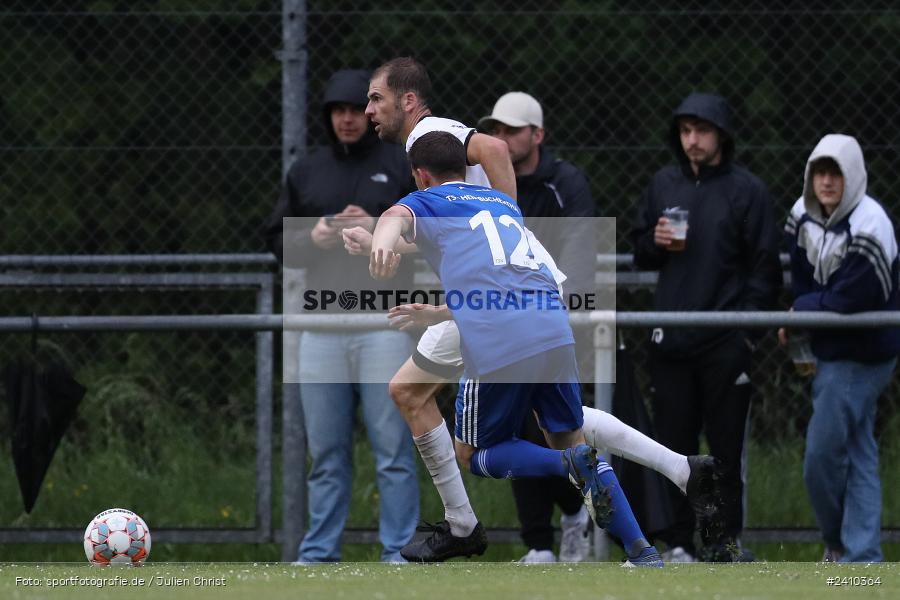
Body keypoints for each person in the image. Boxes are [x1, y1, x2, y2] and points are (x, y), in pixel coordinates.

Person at [344, 59, 722, 563]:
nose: (368, 109)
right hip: (539, 307)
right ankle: (650, 531)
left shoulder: (424, 137)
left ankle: (464, 524)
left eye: (375, 98)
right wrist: (400, 261)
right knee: (564, 429)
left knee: (451, 430)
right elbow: (464, 239)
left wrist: (382, 245)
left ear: (408, 102)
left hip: (496, 317)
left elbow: (419, 204)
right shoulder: (486, 204)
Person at [370, 130, 665, 567]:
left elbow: (394, 216)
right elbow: (500, 278)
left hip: (501, 339)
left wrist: (379, 242)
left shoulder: (427, 200)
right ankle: (643, 552)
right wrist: (440, 313)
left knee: (471, 454)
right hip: (552, 327)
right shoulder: (501, 203)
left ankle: (564, 463)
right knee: (571, 436)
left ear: (421, 175)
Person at [262, 68, 419, 563]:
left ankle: (398, 553)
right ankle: (319, 553)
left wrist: (380, 228)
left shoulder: (401, 164)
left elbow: (433, 239)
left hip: (383, 323)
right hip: (322, 326)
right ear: (327, 117)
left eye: (357, 109)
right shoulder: (307, 171)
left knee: (392, 449)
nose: (348, 119)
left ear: (373, 112)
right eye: (338, 111)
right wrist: (313, 237)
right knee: (325, 452)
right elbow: (276, 241)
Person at [631, 92, 782, 562]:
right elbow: (640, 251)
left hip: (724, 344)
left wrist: (745, 336)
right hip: (671, 341)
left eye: (702, 130)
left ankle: (722, 543)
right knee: (672, 450)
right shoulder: (663, 184)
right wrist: (653, 242)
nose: (692, 140)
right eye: (685, 131)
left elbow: (765, 271)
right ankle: (677, 543)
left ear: (721, 135)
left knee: (725, 450)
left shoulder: (748, 191)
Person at [478, 91, 595, 563]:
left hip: (558, 327)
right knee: (512, 428)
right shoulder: (483, 184)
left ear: (537, 135)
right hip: (504, 328)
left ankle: (574, 514)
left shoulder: (567, 183)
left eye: (511, 130)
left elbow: (581, 254)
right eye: (495, 131)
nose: (501, 139)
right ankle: (538, 544)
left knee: (560, 428)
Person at [779, 134, 900, 563]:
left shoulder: (873, 224)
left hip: (866, 353)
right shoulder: (800, 215)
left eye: (836, 174)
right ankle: (862, 554)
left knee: (822, 455)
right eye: (820, 173)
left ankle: (837, 543)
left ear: (854, 177)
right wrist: (802, 322)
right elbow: (803, 280)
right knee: (860, 450)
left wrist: (801, 310)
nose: (827, 182)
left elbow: (854, 298)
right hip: (830, 347)